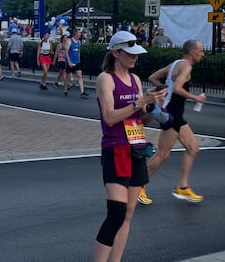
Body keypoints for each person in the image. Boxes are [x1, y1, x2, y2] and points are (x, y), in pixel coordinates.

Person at [93, 31, 165, 262]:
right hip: (115, 147)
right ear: (115, 52)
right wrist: (140, 102)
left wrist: (153, 107)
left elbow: (142, 119)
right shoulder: (106, 79)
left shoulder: (134, 80)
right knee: (116, 213)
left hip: (136, 147)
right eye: (129, 53)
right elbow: (110, 117)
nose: (134, 58)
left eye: (136, 54)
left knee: (129, 213)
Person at [138, 39, 207, 205]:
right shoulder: (187, 67)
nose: (203, 54)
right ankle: (138, 186)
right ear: (192, 53)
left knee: (193, 148)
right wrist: (195, 97)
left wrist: (163, 88)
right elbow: (177, 88)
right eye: (201, 51)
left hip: (174, 113)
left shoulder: (175, 64)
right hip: (172, 115)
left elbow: (153, 77)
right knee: (163, 153)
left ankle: (182, 186)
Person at [65, 29, 90, 98]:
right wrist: (69, 61)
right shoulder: (69, 41)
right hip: (70, 61)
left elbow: (78, 51)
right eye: (79, 33)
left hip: (77, 61)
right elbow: (66, 52)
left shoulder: (79, 42)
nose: (80, 34)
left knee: (80, 76)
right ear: (75, 34)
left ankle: (82, 92)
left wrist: (79, 60)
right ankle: (65, 89)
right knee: (68, 76)